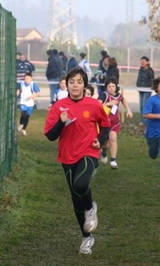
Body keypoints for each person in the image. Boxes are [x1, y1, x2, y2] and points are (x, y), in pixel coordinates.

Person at [44, 67, 110, 255]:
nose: (75, 85)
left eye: (79, 82)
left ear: (84, 85)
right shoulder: (59, 106)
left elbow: (105, 124)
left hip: (88, 151)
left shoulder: (94, 105)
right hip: (67, 156)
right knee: (75, 199)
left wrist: (100, 138)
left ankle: (91, 208)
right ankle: (86, 239)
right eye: (72, 82)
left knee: (80, 184)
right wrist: (61, 122)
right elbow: (50, 135)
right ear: (67, 85)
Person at [98, 77, 133, 169]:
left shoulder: (118, 95)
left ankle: (113, 161)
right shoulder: (104, 96)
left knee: (113, 139)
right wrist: (109, 103)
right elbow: (97, 105)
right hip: (104, 124)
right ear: (106, 87)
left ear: (115, 87)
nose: (111, 88)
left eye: (113, 86)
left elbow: (123, 100)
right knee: (106, 144)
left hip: (115, 123)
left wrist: (128, 110)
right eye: (109, 86)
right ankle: (104, 153)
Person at [136, 56, 155, 126]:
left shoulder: (150, 70)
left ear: (147, 62)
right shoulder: (140, 70)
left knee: (144, 105)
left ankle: (145, 121)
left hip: (147, 90)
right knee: (141, 106)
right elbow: (139, 78)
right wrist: (138, 84)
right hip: (140, 90)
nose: (142, 62)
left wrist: (145, 85)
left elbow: (152, 80)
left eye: (144, 61)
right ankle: (142, 119)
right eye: (141, 61)